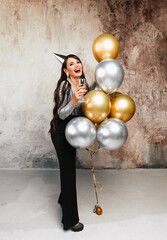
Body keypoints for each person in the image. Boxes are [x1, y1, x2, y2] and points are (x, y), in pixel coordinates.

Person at [49, 54, 89, 232]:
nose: (76, 65)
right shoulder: (64, 86)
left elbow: (83, 109)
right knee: (68, 173)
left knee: (69, 169)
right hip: (60, 131)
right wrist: (74, 100)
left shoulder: (83, 83)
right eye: (71, 64)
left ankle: (63, 199)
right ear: (66, 70)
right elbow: (62, 113)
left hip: (72, 130)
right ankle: (70, 220)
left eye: (78, 62)